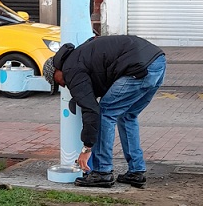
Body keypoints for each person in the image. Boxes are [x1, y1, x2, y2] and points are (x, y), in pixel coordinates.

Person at [43, 35, 166, 188]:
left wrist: (87, 148)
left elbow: (92, 110)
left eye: (56, 82)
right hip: (157, 62)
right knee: (128, 116)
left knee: (105, 113)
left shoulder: (71, 69)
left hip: (138, 67)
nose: (61, 86)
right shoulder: (79, 56)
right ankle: (136, 171)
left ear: (56, 70)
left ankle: (102, 172)